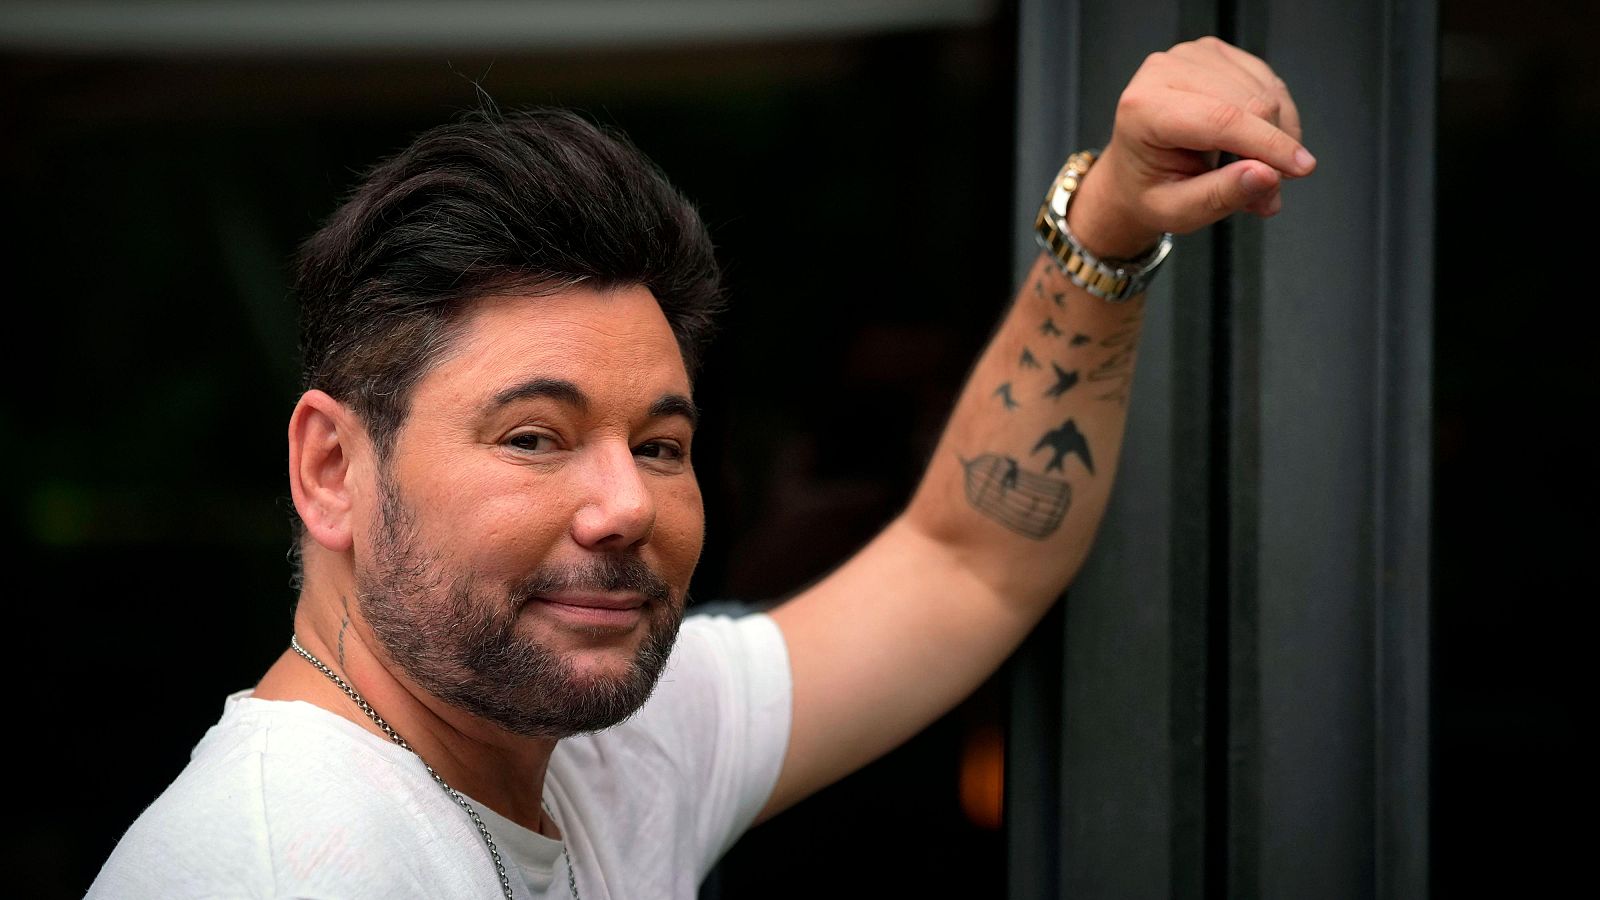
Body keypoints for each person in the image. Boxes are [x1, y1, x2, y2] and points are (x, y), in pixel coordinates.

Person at [89, 36, 1312, 899]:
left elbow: (967, 559)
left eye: (662, 446)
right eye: (534, 437)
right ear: (331, 469)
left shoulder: (608, 747)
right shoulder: (282, 867)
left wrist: (1105, 222)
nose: (626, 505)